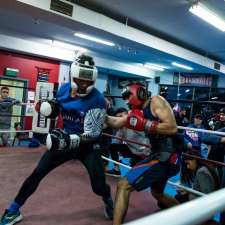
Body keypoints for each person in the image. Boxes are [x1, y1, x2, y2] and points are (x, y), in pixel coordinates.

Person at [0, 55, 113, 225]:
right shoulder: (63, 90)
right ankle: (13, 210)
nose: (84, 84)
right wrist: (51, 107)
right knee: (38, 172)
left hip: (88, 145)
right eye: (80, 80)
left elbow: (93, 134)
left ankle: (107, 198)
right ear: (73, 75)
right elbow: (57, 107)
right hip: (65, 139)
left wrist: (68, 140)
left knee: (98, 186)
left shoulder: (97, 99)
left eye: (88, 81)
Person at [106, 83, 180, 225]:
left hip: (167, 156)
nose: (127, 101)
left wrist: (146, 124)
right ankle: (190, 214)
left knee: (123, 184)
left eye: (128, 97)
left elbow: (172, 128)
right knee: (157, 194)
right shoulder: (136, 112)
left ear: (139, 93)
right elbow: (117, 122)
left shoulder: (156, 101)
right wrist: (102, 117)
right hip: (160, 155)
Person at [105, 107, 151, 177]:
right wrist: (118, 155)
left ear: (127, 115)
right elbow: (117, 141)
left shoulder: (136, 123)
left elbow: (148, 138)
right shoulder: (121, 126)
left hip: (143, 152)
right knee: (113, 147)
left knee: (134, 175)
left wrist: (146, 153)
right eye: (118, 118)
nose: (120, 119)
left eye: (121, 116)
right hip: (131, 149)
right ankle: (116, 170)